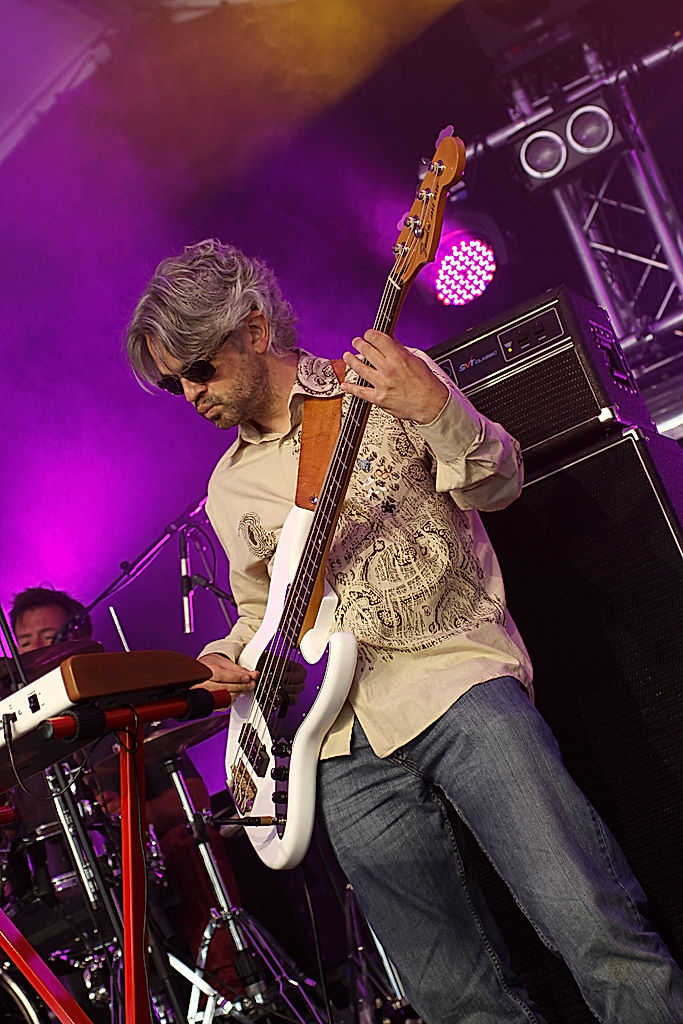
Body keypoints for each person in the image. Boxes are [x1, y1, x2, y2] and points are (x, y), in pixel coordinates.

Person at [125, 238, 683, 1024]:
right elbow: (267, 610)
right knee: (453, 999)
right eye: (174, 381)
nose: (188, 392)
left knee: (595, 929)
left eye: (198, 368)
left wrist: (435, 409)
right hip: (342, 750)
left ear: (251, 329)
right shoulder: (227, 489)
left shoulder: (388, 381)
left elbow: (500, 482)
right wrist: (224, 658)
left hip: (457, 685)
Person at [7, 586, 245, 1000]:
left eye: (49, 638)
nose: (37, 653)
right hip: (50, 894)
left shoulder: (118, 710)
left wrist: (137, 814)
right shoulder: (14, 745)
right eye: (25, 643)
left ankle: (230, 991)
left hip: (140, 865)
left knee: (191, 840)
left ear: (79, 638)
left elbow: (194, 800)